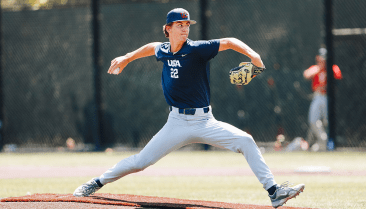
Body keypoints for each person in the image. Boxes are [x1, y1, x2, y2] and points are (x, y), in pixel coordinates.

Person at [73, 8, 304, 208]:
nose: (185, 29)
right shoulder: (163, 50)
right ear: (168, 28)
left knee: (246, 141)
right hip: (176, 122)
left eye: (187, 25)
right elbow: (150, 47)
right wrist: (126, 57)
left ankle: (274, 192)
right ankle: (96, 182)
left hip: (205, 121)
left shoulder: (197, 49)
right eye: (179, 25)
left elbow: (230, 41)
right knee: (140, 162)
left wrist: (254, 55)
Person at [303, 47, 342, 151]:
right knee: (313, 120)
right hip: (317, 96)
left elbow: (337, 81)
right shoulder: (316, 68)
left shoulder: (333, 68)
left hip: (328, 98)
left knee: (327, 121)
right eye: (321, 58)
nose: (323, 60)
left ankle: (329, 143)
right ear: (318, 58)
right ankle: (322, 139)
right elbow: (306, 74)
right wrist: (318, 68)